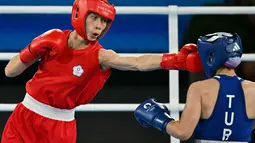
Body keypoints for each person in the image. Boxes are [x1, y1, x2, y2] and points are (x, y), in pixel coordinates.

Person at [1, 0, 203, 143]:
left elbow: (137, 62)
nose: (99, 26)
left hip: (58, 128)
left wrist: (174, 60)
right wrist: (31, 50)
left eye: (105, 22)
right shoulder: (52, 39)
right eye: (95, 18)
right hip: (23, 116)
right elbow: (10, 71)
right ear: (80, 13)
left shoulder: (101, 56)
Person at [134, 32, 255, 142]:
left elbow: (183, 132)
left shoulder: (200, 88)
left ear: (210, 56)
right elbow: (247, 126)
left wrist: (157, 117)